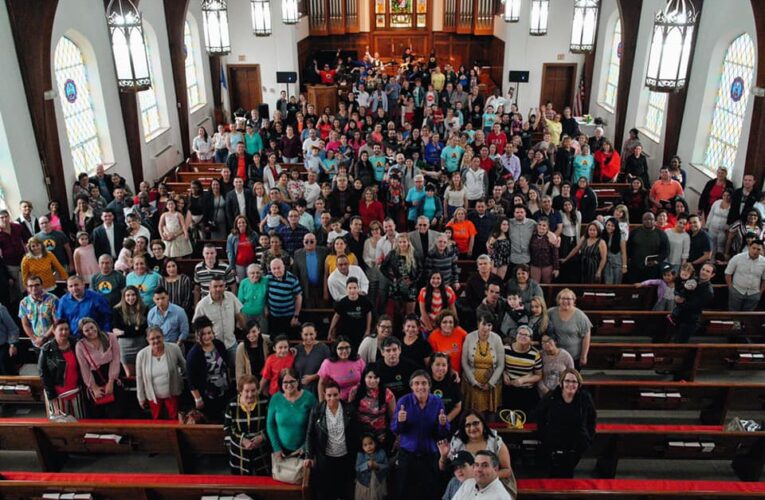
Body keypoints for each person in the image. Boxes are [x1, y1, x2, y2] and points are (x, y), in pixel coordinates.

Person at [391, 370, 451, 500]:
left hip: (430, 456)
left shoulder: (437, 402)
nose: (420, 387)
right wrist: (400, 421)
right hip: (407, 456)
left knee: (430, 492)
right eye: (416, 383)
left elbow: (442, 434)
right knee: (404, 492)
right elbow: (395, 429)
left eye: (424, 383)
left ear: (429, 385)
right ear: (411, 386)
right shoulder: (403, 401)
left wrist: (442, 424)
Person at [535, 368, 597, 478]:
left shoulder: (585, 398)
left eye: (574, 381)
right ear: (561, 383)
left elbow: (592, 419)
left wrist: (588, 437)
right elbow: (539, 416)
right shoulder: (551, 397)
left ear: (579, 384)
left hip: (576, 445)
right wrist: (544, 435)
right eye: (567, 381)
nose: (570, 384)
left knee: (568, 473)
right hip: (554, 445)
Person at [305, 379, 359, 499]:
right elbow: (310, 434)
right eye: (329, 395)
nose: (332, 398)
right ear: (324, 395)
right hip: (325, 458)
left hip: (345, 457)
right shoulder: (317, 410)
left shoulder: (349, 410)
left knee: (344, 491)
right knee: (325, 492)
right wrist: (308, 455)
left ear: (340, 394)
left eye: (335, 395)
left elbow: (355, 435)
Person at [442, 410, 516, 498]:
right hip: (463, 483)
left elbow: (507, 470)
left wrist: (482, 476)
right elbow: (445, 467)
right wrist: (443, 456)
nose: (472, 428)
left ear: (483, 424)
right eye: (468, 425)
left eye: (476, 423)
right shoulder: (458, 442)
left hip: (490, 483)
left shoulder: (495, 442)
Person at [266, 367, 318, 464]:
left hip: (304, 451)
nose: (289, 385)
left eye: (292, 381)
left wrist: (306, 446)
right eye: (285, 382)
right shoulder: (275, 399)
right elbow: (270, 424)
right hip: (281, 452)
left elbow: (317, 424)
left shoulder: (309, 398)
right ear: (281, 383)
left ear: (298, 381)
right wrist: (276, 448)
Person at [186, 315, 232, 422]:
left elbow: (226, 366)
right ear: (198, 335)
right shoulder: (194, 354)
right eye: (203, 334)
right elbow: (191, 380)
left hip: (224, 391)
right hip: (207, 396)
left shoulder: (219, 345)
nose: (207, 336)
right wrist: (198, 398)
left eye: (209, 333)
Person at [223, 373, 270, 475]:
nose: (250, 394)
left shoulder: (265, 402)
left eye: (253, 390)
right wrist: (242, 440)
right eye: (246, 391)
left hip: (261, 452)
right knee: (241, 484)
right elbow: (227, 428)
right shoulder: (232, 404)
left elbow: (271, 425)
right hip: (239, 453)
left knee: (262, 480)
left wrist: (262, 437)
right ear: (240, 391)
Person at [75, 317, 122, 418]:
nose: (91, 331)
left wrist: (111, 381)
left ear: (96, 325)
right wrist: (93, 387)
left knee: (116, 412)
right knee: (100, 414)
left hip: (112, 375)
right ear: (82, 332)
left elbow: (116, 359)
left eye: (92, 327)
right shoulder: (80, 345)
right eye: (87, 330)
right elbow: (84, 368)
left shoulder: (110, 337)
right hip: (95, 378)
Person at [135, 326, 186, 420]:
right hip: (153, 396)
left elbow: (184, 367)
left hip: (173, 393)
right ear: (147, 340)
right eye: (152, 338)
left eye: (158, 337)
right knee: (156, 420)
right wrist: (141, 397)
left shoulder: (174, 348)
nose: (156, 341)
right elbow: (139, 377)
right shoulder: (141, 355)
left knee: (175, 419)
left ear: (163, 336)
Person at [38, 320, 86, 420]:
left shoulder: (76, 343)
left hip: (76, 392)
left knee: (80, 421)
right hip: (58, 394)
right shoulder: (46, 349)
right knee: (62, 423)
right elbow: (44, 374)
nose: (64, 332)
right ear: (54, 331)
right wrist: (52, 396)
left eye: (66, 329)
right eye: (61, 329)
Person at [193, 276, 246, 365]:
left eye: (221, 286)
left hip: (231, 343)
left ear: (225, 286)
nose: (218, 289)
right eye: (215, 286)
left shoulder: (231, 297)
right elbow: (197, 327)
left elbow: (239, 315)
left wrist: (245, 331)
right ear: (209, 288)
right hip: (214, 347)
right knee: (219, 371)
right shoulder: (202, 304)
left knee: (236, 369)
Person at [461, 315, 505, 415]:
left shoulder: (497, 339)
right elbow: (464, 362)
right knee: (472, 413)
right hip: (472, 383)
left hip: (491, 383)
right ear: (478, 324)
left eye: (489, 325)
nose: (486, 328)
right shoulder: (469, 337)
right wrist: (473, 382)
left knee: (490, 415)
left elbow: (500, 365)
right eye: (484, 324)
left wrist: (490, 383)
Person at [547, 289, 592, 369]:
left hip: (574, 357)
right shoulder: (551, 312)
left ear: (573, 301)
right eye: (563, 298)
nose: (565, 301)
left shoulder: (580, 316)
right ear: (558, 300)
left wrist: (584, 356)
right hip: (555, 356)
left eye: (568, 299)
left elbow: (586, 337)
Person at [111, 286, 148, 378]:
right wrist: (135, 328)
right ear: (123, 297)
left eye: (133, 295)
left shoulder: (145, 308)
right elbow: (115, 330)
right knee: (129, 375)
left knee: (143, 373)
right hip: (124, 346)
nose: (131, 298)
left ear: (137, 296)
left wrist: (124, 332)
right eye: (128, 295)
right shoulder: (117, 310)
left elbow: (144, 330)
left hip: (141, 343)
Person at [628, 212, 669, 283]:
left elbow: (666, 251)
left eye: (651, 219)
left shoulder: (661, 234)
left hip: (653, 268)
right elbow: (629, 248)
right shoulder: (635, 232)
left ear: (654, 220)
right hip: (636, 267)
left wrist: (656, 261)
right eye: (645, 219)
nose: (648, 221)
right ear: (642, 220)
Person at [725, 239, 765, 311]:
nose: (755, 251)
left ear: (762, 250)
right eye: (753, 248)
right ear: (749, 247)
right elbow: (728, 273)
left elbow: (764, 279)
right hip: (737, 291)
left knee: (748, 317)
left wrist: (760, 293)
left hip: (754, 293)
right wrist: (731, 288)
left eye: (758, 249)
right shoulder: (737, 258)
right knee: (734, 315)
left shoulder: (764, 262)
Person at [293, 322, 330, 395]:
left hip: (318, 391)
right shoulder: (296, 349)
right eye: (306, 335)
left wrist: (314, 377)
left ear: (315, 333)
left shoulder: (323, 348)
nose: (309, 337)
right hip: (299, 392)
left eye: (311, 334)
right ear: (301, 334)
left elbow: (329, 369)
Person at [538, 332, 575, 397]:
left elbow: (572, 375)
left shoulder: (566, 355)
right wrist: (544, 389)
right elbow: (537, 375)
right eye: (543, 342)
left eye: (549, 340)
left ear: (555, 341)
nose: (547, 343)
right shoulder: (540, 355)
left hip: (562, 392)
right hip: (544, 392)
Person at [354, 433, 390, 500]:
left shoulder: (381, 452)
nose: (369, 447)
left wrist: (377, 466)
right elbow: (357, 468)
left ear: (375, 443)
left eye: (371, 443)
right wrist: (366, 465)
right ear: (362, 447)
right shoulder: (360, 454)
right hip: (364, 482)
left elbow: (386, 466)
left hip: (378, 480)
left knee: (377, 495)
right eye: (365, 445)